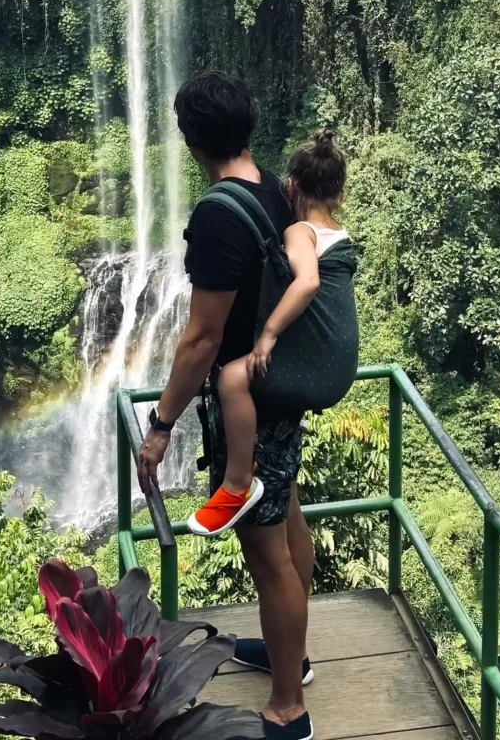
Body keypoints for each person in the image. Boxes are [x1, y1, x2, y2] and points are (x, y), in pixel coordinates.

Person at [137, 70, 314, 740]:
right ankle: (287, 652)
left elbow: (202, 336)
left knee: (266, 554)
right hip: (279, 391)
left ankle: (289, 707)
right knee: (288, 516)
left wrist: (160, 426)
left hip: (249, 409)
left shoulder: (217, 214)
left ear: (190, 140)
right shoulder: (271, 189)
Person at [187, 128, 350, 537]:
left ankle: (238, 484)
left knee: (231, 376)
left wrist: (268, 335)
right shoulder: (338, 231)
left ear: (291, 187)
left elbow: (308, 282)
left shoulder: (300, 232)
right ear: (340, 194)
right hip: (339, 364)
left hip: (320, 368)